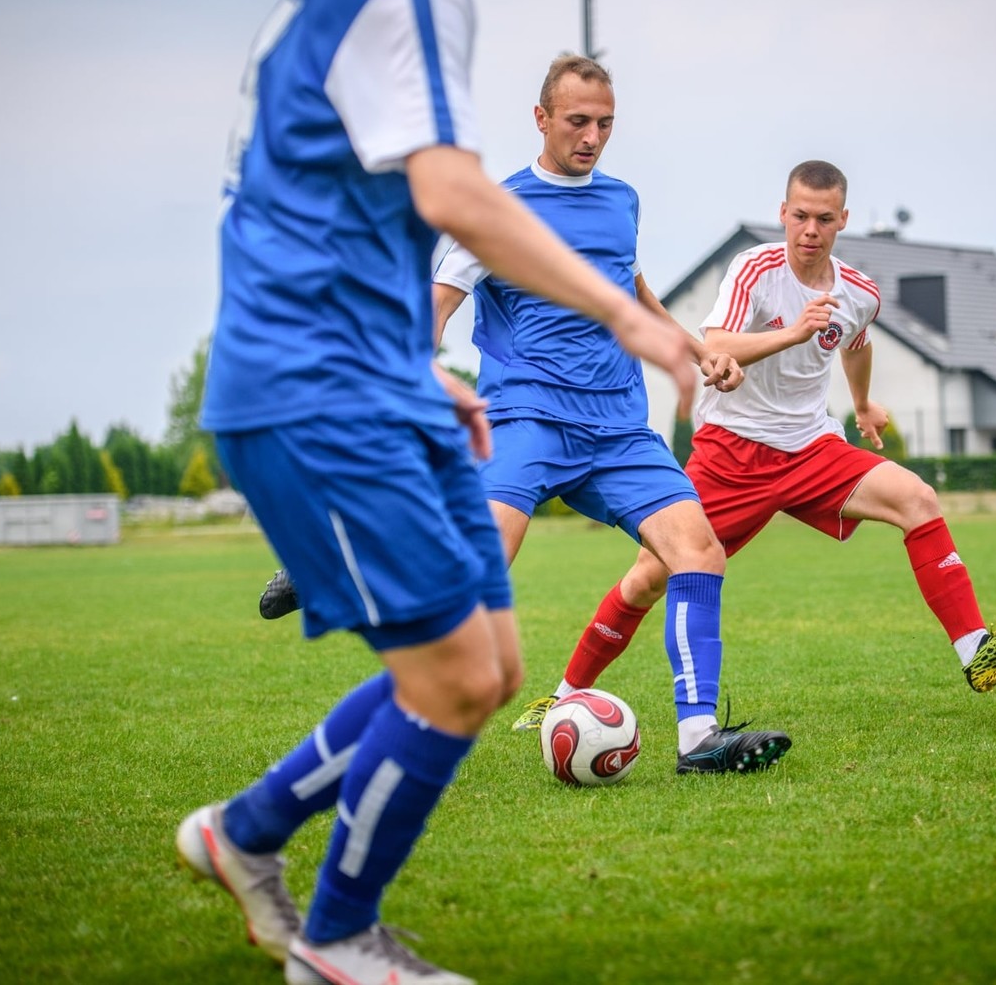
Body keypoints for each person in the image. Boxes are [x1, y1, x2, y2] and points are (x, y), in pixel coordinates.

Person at [174, 0, 696, 985]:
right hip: (312, 379)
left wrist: (417, 368)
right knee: (455, 675)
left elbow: (364, 204)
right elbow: (456, 198)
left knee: (491, 666)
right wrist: (625, 314)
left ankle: (245, 831)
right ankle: (336, 938)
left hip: (356, 370)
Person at [261, 53, 793, 777]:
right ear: (540, 118)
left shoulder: (622, 200)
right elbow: (433, 314)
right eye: (577, 121)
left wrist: (697, 350)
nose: (592, 137)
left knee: (698, 550)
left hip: (617, 426)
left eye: (605, 123)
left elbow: (630, 287)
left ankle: (699, 739)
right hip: (527, 418)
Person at [520, 160, 996, 726]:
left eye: (824, 218)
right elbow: (717, 345)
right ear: (783, 214)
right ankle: (565, 694)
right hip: (731, 453)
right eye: (800, 216)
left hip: (811, 449)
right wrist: (795, 332)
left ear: (843, 219)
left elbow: (856, 343)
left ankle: (975, 651)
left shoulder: (860, 292)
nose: (810, 230)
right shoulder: (755, 269)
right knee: (649, 577)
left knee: (917, 498)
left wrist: (863, 403)